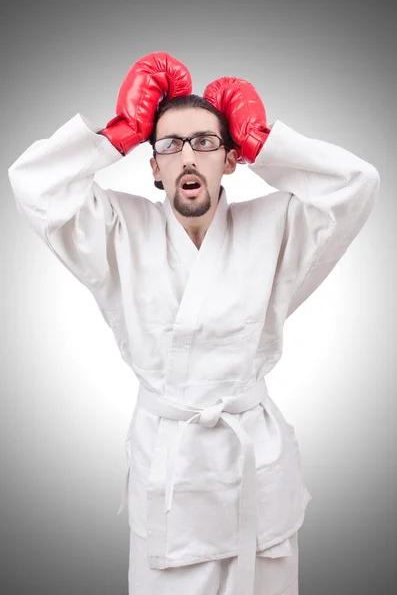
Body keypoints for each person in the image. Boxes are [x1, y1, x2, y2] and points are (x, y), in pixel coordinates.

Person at [8, 51, 380, 595]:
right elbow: (33, 184)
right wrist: (117, 134)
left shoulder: (273, 226)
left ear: (232, 159)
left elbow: (357, 184)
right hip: (171, 479)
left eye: (206, 142)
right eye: (169, 144)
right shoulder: (116, 230)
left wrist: (266, 140)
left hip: (256, 471)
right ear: (152, 166)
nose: (188, 156)